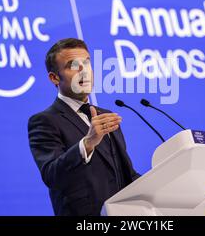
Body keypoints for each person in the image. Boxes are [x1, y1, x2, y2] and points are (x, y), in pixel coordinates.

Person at [28, 38, 140, 216]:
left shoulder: (105, 115)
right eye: (73, 65)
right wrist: (87, 144)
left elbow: (126, 174)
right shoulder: (44, 121)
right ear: (54, 77)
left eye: (87, 63)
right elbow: (52, 176)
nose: (84, 71)